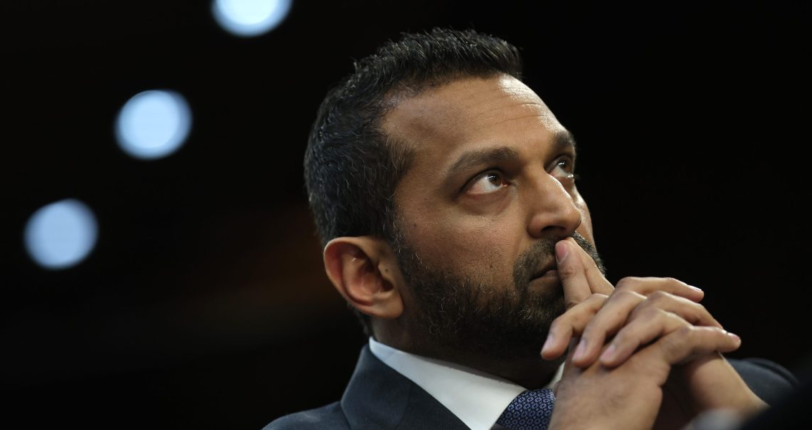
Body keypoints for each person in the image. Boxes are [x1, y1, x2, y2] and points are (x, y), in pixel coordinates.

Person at [265, 28, 796, 429]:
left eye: (561, 167)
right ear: (370, 276)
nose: (564, 213)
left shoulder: (752, 398)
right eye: (489, 180)